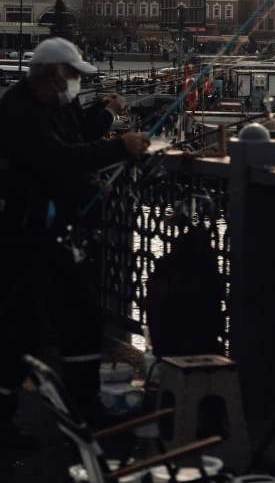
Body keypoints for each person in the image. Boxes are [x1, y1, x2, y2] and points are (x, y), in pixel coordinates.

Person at [0, 38, 150, 449]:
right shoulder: (18, 111)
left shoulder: (56, 107)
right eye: (73, 75)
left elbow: (72, 149)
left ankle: (86, 408)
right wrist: (118, 145)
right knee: (19, 334)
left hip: (55, 237)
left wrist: (86, 183)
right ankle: (5, 420)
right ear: (52, 73)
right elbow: (53, 159)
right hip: (23, 238)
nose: (77, 83)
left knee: (83, 318)